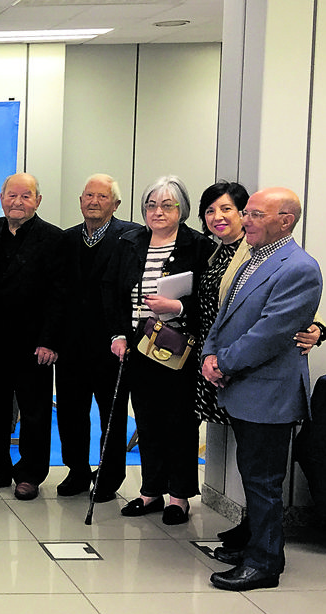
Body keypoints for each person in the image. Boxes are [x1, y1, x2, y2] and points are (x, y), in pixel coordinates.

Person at [194, 181, 326, 555]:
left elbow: (270, 333)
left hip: (268, 391)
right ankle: (253, 544)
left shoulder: (299, 268)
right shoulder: (253, 257)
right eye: (246, 212)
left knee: (264, 481)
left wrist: (223, 362)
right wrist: (209, 354)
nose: (244, 220)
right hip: (242, 387)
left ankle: (265, 562)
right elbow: (223, 316)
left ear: (285, 221)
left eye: (254, 214)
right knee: (252, 475)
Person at [106, 176, 215, 525]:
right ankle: (150, 491)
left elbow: (211, 302)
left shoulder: (198, 246)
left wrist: (178, 307)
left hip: (178, 349)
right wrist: (117, 335)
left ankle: (179, 496)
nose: (158, 211)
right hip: (138, 347)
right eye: (151, 205)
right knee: (148, 420)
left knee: (180, 423)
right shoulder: (130, 242)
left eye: (168, 205)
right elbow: (114, 294)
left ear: (181, 210)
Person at [0, 173, 64, 501]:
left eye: (25, 196)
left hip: (35, 343)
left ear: (38, 201)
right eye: (11, 196)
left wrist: (50, 341)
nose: (17, 202)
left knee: (35, 412)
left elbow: (59, 294)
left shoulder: (53, 238)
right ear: (1, 198)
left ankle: (30, 474)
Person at [54, 175, 136, 500]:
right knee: (71, 413)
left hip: (112, 344)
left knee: (111, 415)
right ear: (80, 200)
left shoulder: (130, 236)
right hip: (72, 345)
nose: (93, 201)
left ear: (115, 204)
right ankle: (77, 471)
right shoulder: (67, 239)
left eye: (102, 197)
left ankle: (109, 475)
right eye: (88, 195)